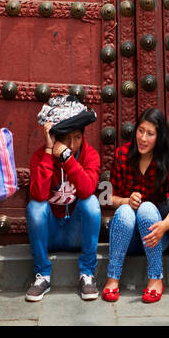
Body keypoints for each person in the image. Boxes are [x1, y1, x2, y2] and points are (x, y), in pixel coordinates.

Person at [102, 107, 169, 303]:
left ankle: (155, 279)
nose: (143, 138)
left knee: (147, 208)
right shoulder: (122, 154)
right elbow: (106, 197)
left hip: (155, 237)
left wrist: (164, 226)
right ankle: (112, 278)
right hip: (125, 238)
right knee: (125, 211)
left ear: (159, 136)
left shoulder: (167, 159)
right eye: (141, 131)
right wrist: (125, 200)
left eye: (150, 134)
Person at [25, 95, 101, 302]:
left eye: (77, 137)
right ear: (55, 137)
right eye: (65, 139)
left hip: (75, 232)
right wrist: (50, 152)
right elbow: (39, 194)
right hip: (50, 233)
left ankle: (87, 273)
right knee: (35, 207)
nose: (71, 144)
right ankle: (43, 275)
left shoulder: (90, 155)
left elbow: (86, 190)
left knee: (92, 204)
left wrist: (67, 159)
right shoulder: (39, 156)